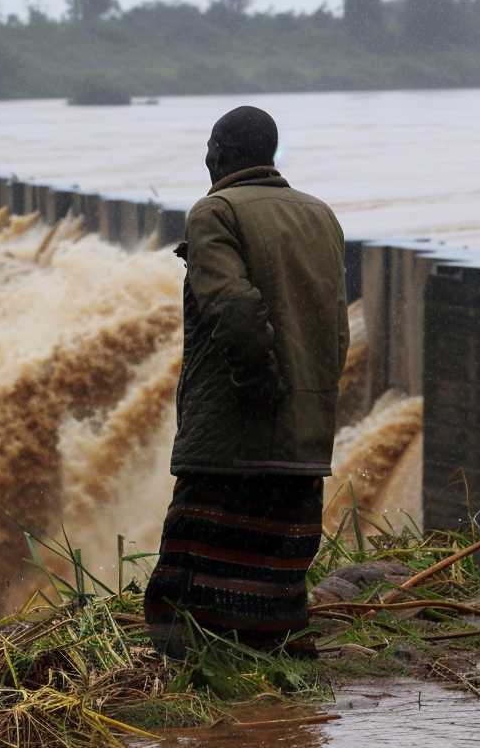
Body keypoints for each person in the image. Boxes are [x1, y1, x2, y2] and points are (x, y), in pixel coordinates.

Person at [144, 105, 348, 658]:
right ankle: (280, 716)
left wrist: (260, 391)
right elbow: (336, 329)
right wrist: (312, 401)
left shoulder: (216, 212)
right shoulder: (320, 215)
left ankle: (203, 717)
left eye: (210, 145)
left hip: (233, 441)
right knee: (277, 591)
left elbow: (232, 307)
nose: (205, 156)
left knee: (186, 595)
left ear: (226, 152)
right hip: (304, 438)